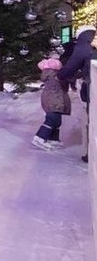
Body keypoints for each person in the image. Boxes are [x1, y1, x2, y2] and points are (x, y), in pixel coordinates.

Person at [57, 25, 96, 163]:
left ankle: (90, 154)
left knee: (91, 122)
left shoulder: (82, 46)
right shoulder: (92, 44)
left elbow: (71, 67)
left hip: (92, 89)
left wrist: (60, 75)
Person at [32, 56, 71, 151]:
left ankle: (53, 139)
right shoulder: (56, 75)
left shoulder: (49, 75)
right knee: (52, 120)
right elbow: (63, 84)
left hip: (52, 99)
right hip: (54, 100)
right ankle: (40, 137)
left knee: (56, 121)